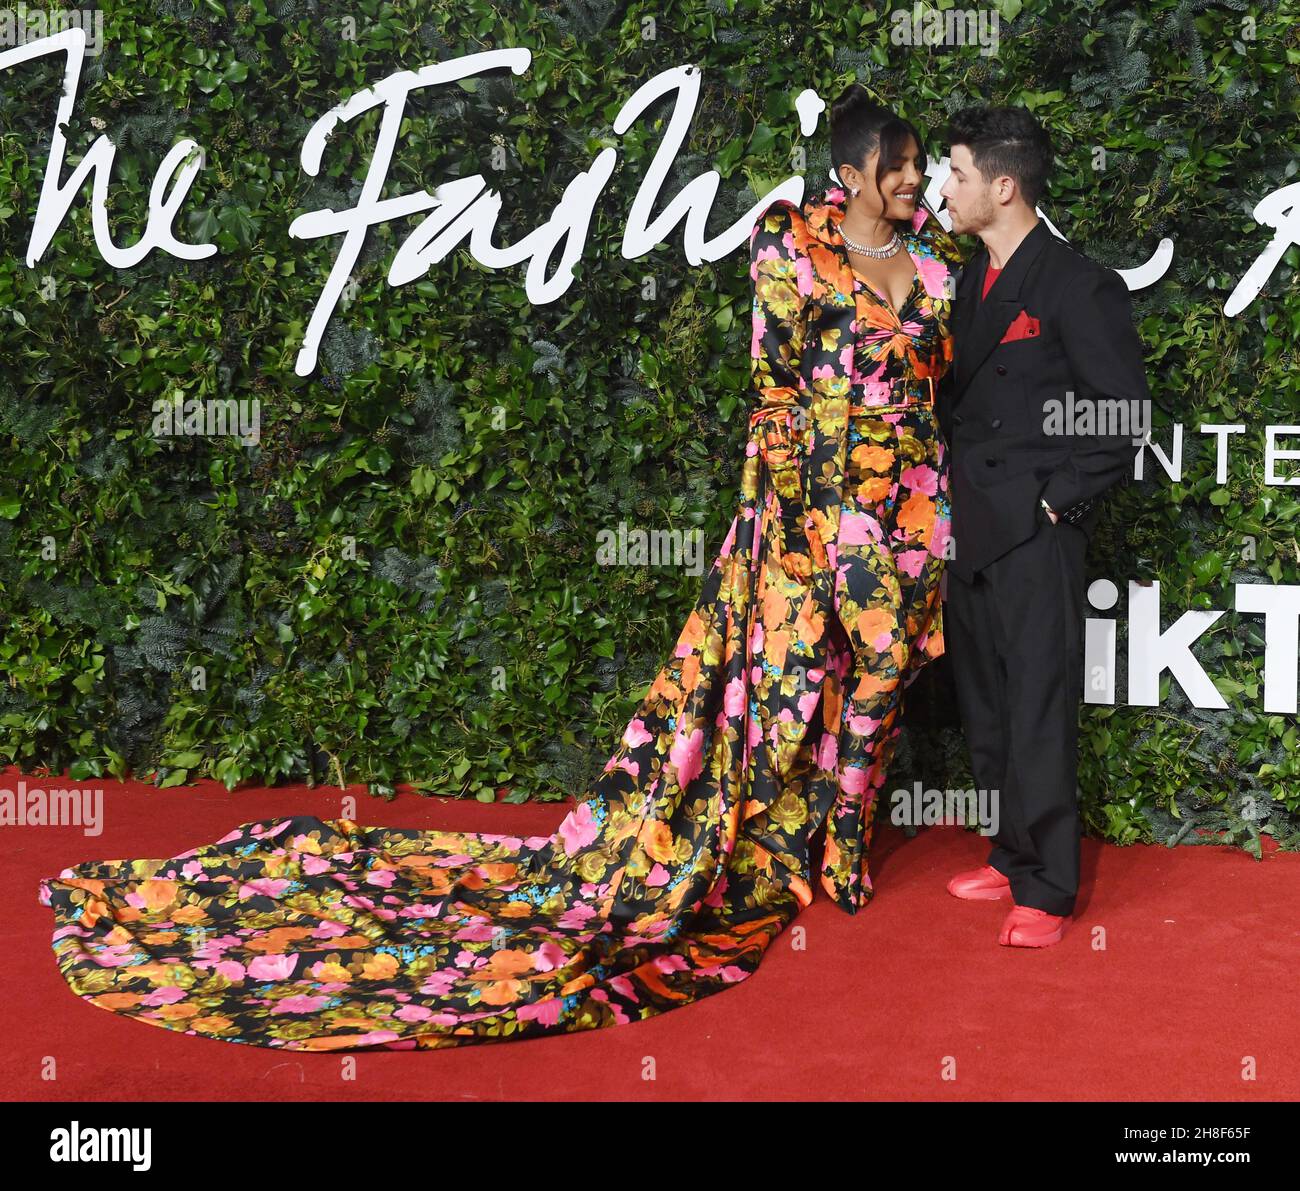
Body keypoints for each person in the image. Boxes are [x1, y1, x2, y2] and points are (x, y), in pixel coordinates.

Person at [37, 86, 962, 1051]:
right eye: (894, 164)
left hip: (909, 513)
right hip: (806, 516)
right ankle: (782, 851)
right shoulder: (790, 249)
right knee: (792, 686)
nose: (911, 178)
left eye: (916, 162)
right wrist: (778, 518)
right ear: (849, 173)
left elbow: (941, 393)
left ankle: (847, 837)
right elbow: (772, 390)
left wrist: (933, 507)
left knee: (885, 677)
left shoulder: (936, 269)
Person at [936, 105, 1145, 947]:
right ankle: (1012, 851)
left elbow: (1123, 414)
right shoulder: (970, 278)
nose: (943, 190)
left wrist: (1055, 503)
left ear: (1004, 185)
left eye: (956, 174)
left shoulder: (1074, 282)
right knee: (987, 707)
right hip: (971, 533)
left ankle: (1050, 890)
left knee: (1038, 708)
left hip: (1032, 531)